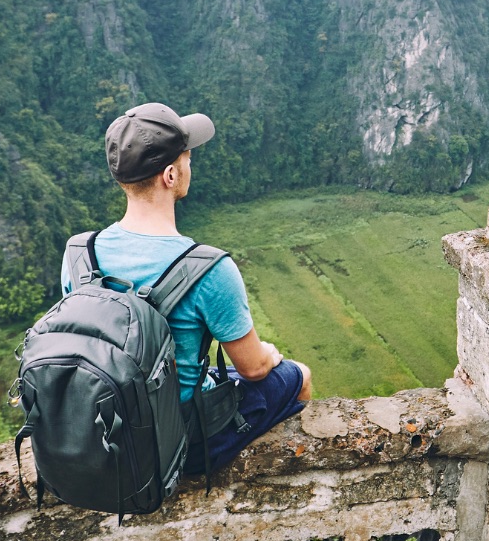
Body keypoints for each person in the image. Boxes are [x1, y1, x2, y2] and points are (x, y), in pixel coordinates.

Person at [63, 102, 311, 472]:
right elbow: (254, 368)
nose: (189, 165)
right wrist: (271, 356)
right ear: (170, 176)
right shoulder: (209, 268)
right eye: (187, 158)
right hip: (179, 443)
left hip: (109, 432)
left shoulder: (79, 253)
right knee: (299, 375)